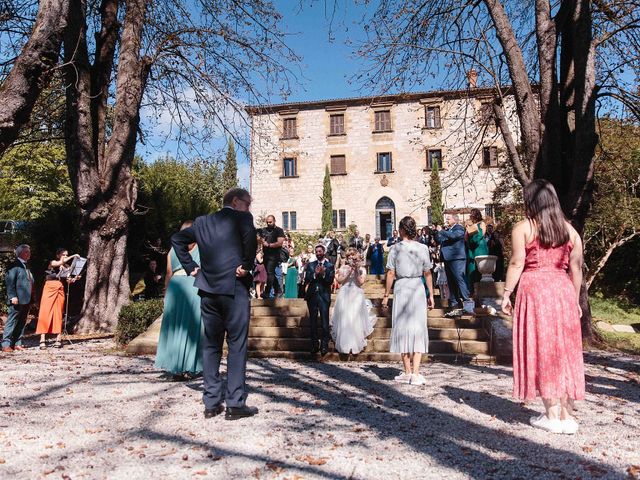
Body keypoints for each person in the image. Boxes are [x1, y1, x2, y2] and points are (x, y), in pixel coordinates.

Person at [502, 179, 585, 435]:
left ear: (531, 201)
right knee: (564, 348)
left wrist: (506, 294)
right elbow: (576, 268)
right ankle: (566, 414)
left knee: (542, 346)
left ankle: (551, 415)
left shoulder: (523, 228)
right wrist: (574, 298)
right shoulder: (570, 231)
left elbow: (517, 263)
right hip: (562, 290)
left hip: (535, 291)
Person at [171, 187, 258, 420]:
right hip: (234, 289)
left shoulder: (202, 222)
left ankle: (211, 403)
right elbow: (251, 242)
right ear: (237, 201)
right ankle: (234, 404)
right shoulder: (243, 218)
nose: (249, 208)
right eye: (248, 204)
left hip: (208, 290)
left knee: (211, 346)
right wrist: (247, 265)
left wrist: (191, 268)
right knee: (237, 345)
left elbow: (177, 239)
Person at [382, 217, 434, 386]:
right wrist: (431, 295)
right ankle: (415, 373)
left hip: (402, 286)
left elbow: (390, 273)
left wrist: (386, 295)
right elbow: (427, 273)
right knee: (418, 326)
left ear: (402, 230)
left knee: (403, 326)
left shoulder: (395, 248)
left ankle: (408, 371)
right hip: (417, 287)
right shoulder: (423, 248)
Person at [155, 221, 204, 379]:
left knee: (175, 326)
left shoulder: (172, 250)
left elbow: (169, 273)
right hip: (194, 286)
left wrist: (166, 293)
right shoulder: (201, 248)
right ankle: (192, 366)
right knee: (193, 327)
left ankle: (175, 367)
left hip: (175, 288)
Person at [331, 248, 375, 354]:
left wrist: (355, 270)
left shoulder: (361, 269)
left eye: (353, 255)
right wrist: (348, 272)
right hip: (345, 293)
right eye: (349, 256)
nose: (351, 257)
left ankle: (355, 344)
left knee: (355, 318)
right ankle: (345, 345)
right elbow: (340, 281)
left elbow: (360, 282)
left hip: (356, 294)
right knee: (345, 318)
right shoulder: (343, 268)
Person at [36, 248, 80, 349]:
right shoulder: (53, 262)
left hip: (60, 288)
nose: (65, 256)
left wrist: (74, 279)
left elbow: (68, 281)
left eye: (67, 254)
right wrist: (73, 256)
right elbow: (60, 262)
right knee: (45, 312)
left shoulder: (67, 266)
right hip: (49, 288)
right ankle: (42, 339)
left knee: (58, 312)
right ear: (58, 255)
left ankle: (58, 339)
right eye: (63, 254)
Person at [303, 244, 335, 356]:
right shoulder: (311, 265)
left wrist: (323, 274)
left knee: (325, 322)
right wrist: (315, 275)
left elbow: (330, 281)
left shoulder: (330, 265)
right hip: (312, 296)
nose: (318, 253)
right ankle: (314, 344)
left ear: (324, 252)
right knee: (312, 321)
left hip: (324, 296)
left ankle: (324, 344)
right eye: (316, 252)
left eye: (320, 251)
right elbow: (306, 279)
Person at [436, 214, 471, 312]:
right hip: (447, 259)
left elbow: (454, 236)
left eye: (449, 218)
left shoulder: (459, 228)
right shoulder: (447, 230)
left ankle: (466, 301)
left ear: (455, 220)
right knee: (451, 281)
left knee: (460, 278)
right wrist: (438, 232)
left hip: (457, 258)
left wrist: (441, 231)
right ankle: (454, 303)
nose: (446, 220)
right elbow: (439, 240)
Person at [3, 244, 34, 352]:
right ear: (21, 253)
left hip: (26, 299)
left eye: (29, 251)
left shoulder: (26, 265)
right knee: (11, 320)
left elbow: (29, 282)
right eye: (27, 252)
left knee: (22, 321)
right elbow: (10, 282)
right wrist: (12, 296)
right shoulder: (14, 265)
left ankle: (17, 343)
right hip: (17, 298)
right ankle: (5, 344)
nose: (29, 253)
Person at [260, 215, 285, 298]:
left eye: (270, 222)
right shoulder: (263, 230)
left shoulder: (279, 230)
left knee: (270, 272)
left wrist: (269, 245)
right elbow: (258, 238)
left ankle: (267, 292)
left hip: (274, 255)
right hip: (266, 255)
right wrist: (261, 240)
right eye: (267, 222)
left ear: (274, 221)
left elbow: (280, 243)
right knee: (270, 273)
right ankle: (278, 290)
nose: (268, 223)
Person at [465, 208, 489, 289]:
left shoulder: (482, 223)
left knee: (480, 267)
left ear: (475, 215)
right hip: (472, 247)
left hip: (480, 247)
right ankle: (472, 289)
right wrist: (468, 229)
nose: (470, 216)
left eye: (471, 214)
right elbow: (466, 238)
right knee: (472, 268)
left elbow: (482, 234)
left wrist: (473, 229)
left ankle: (482, 288)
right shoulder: (470, 225)